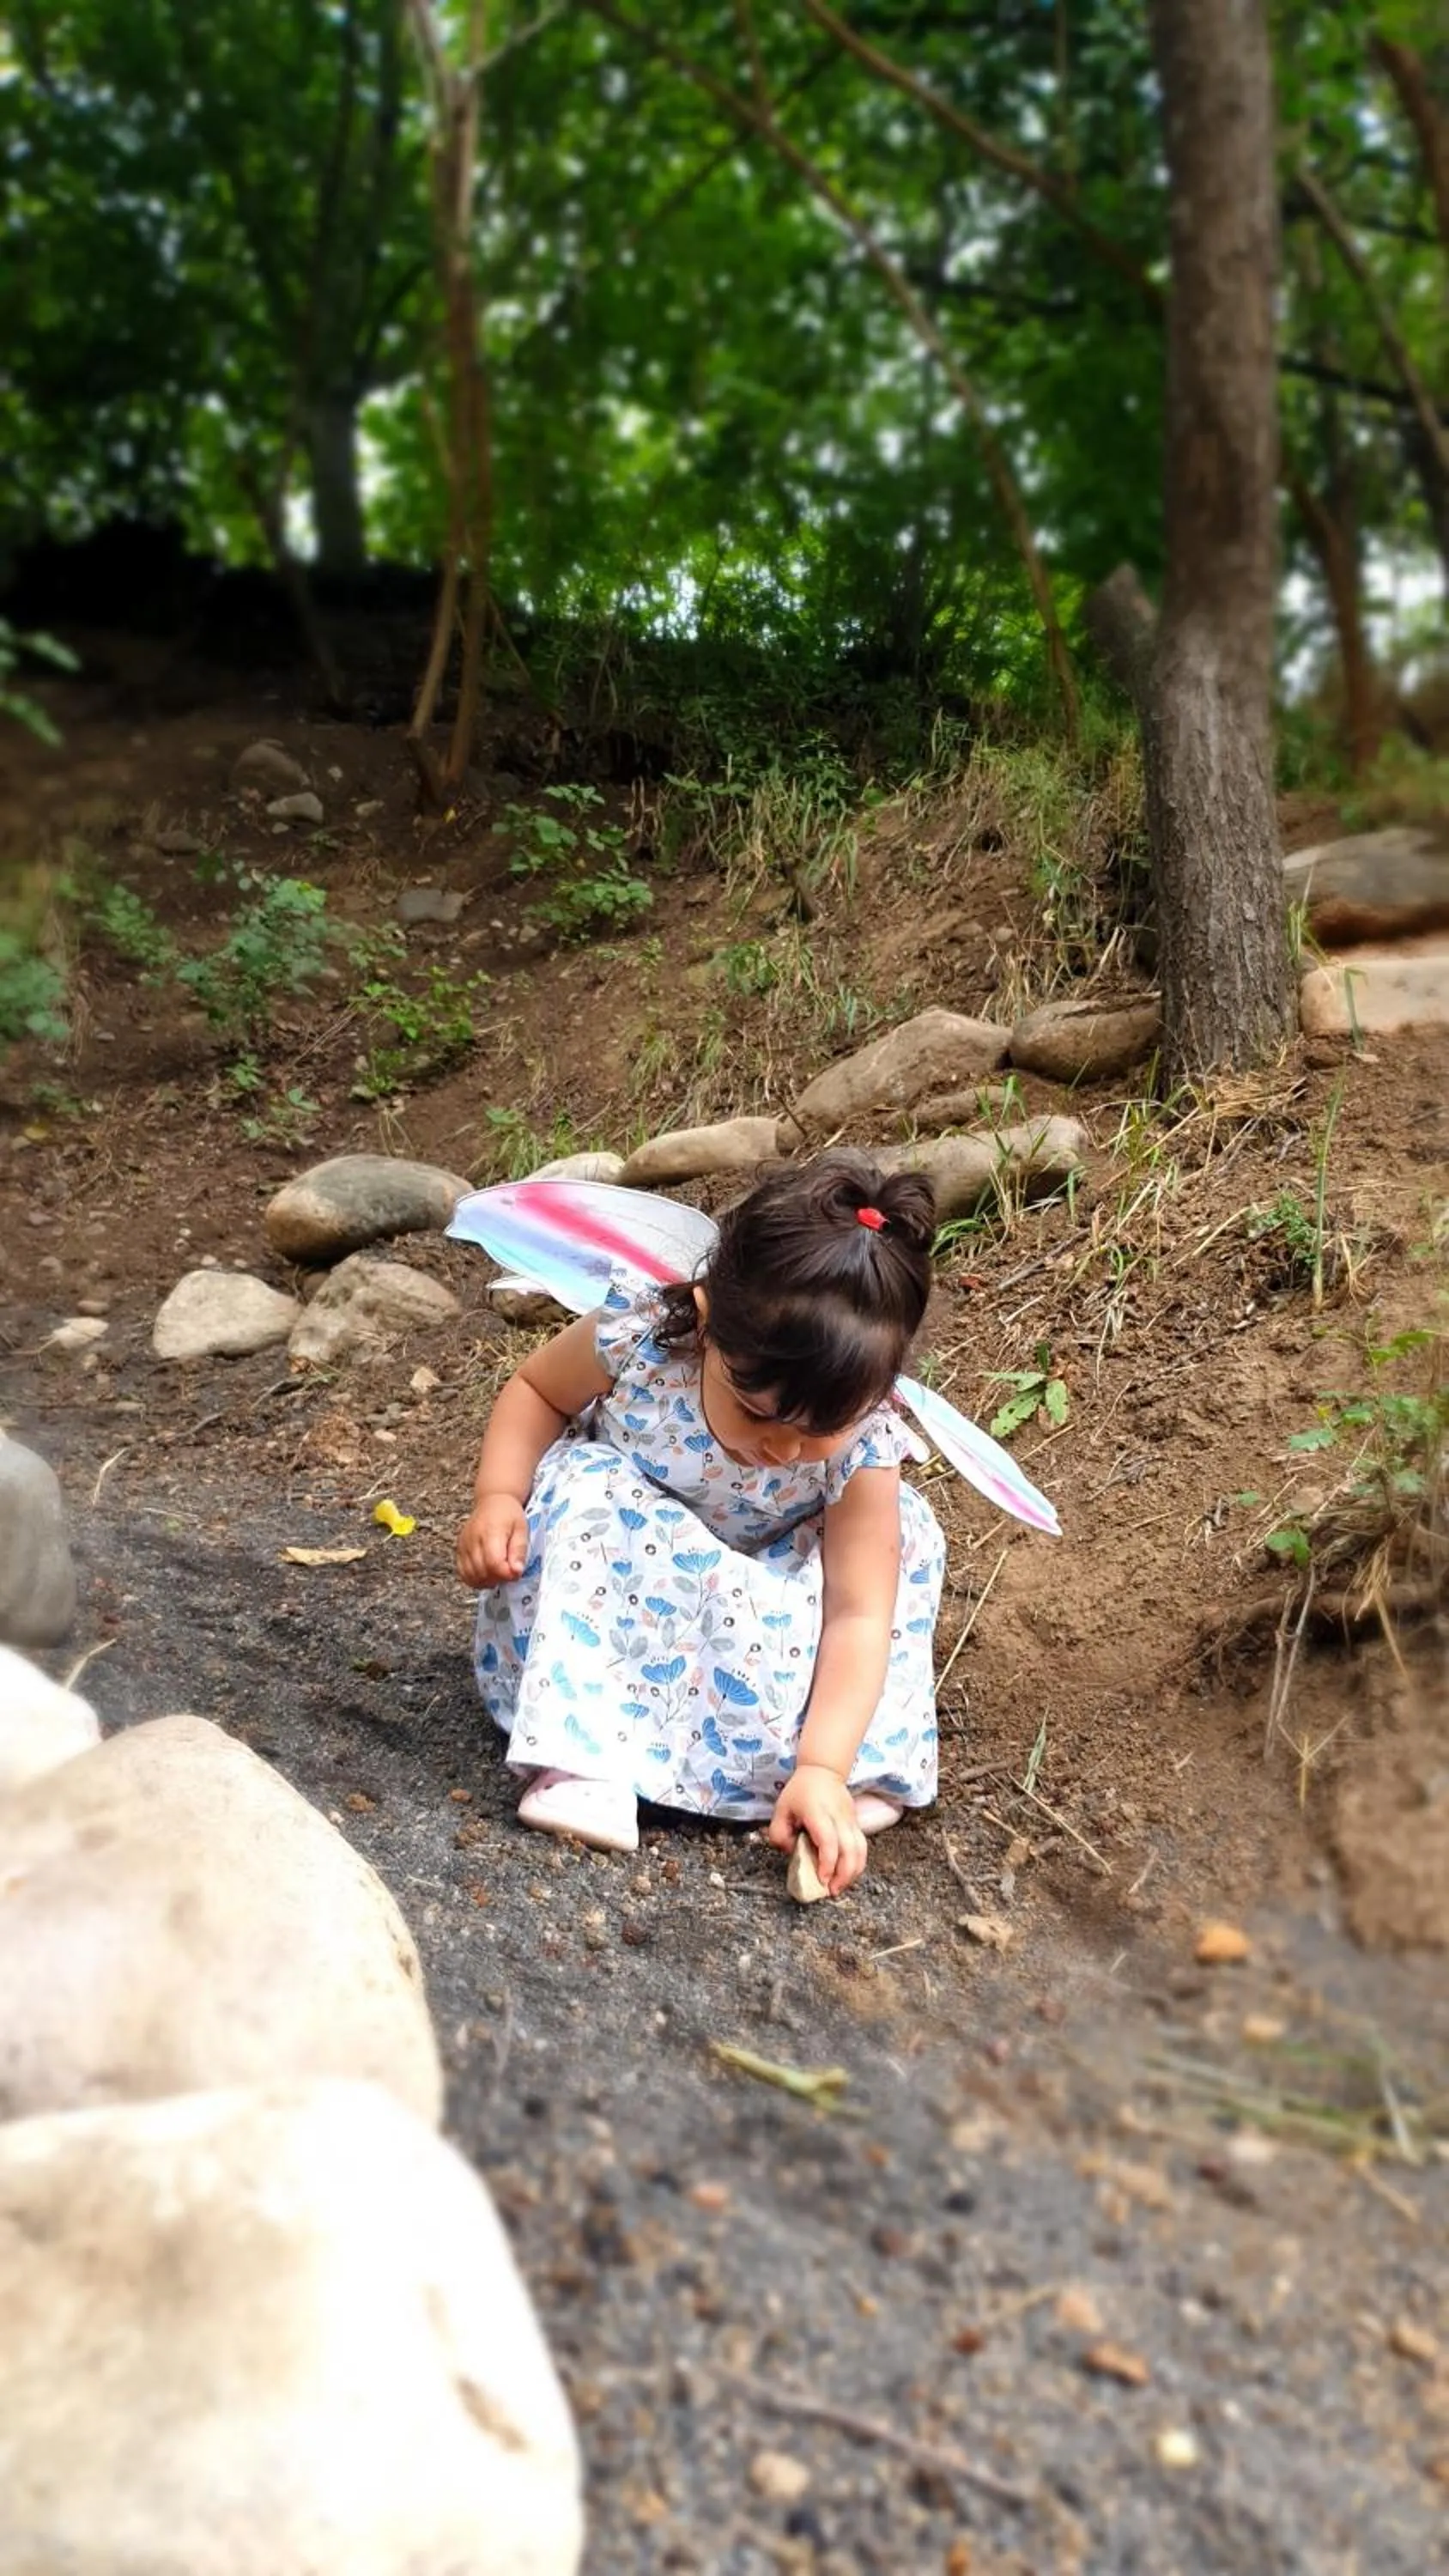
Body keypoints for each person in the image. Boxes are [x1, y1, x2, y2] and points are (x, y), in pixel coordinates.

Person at [456, 1151, 946, 1895]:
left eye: (821, 1431)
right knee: (589, 1478)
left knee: (899, 1540)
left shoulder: (868, 1445)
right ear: (710, 1322)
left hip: (757, 1609)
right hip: (621, 1592)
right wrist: (498, 1495)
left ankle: (833, 1779)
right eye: (758, 1412)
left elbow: (857, 1614)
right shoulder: (642, 1337)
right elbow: (537, 1390)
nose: (782, 1450)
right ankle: (588, 1755)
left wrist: (824, 1766)